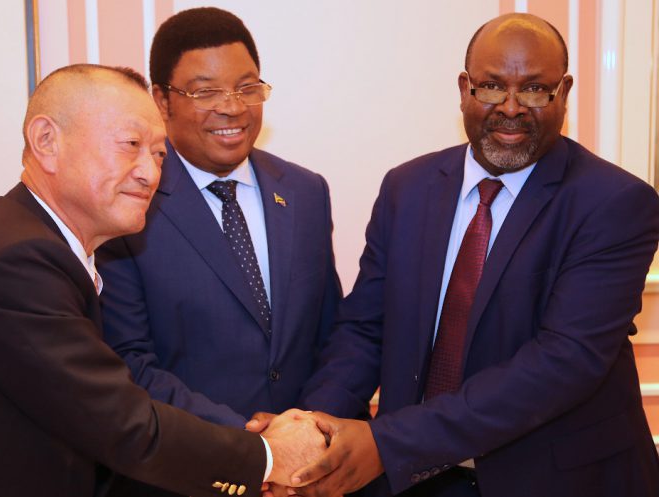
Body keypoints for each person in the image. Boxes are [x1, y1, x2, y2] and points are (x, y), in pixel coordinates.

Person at [252, 13, 659, 497]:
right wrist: (314, 428)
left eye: (534, 89)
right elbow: (366, 328)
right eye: (492, 86)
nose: (511, 107)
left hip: (555, 480)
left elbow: (562, 362)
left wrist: (387, 443)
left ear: (563, 92)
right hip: (417, 477)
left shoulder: (614, 202)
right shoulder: (407, 187)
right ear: (465, 88)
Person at [0, 64, 325, 497]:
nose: (149, 173)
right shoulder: (17, 263)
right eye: (130, 145)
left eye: (158, 155)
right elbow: (123, 424)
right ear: (46, 141)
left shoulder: (36, 246)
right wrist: (269, 456)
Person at [97, 7, 341, 428]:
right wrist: (254, 443)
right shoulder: (130, 202)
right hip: (190, 456)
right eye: (205, 92)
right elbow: (129, 363)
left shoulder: (305, 192)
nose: (232, 108)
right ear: (162, 101)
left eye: (247, 88)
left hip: (306, 454)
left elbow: (331, 335)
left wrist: (308, 427)